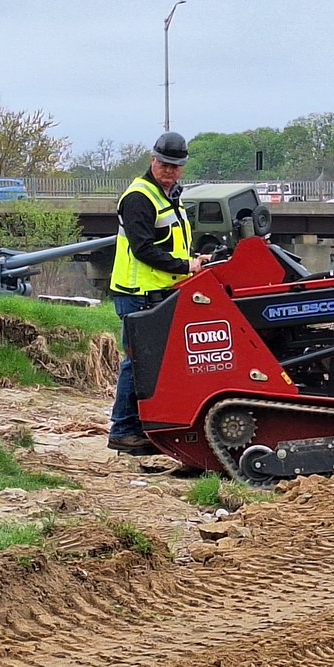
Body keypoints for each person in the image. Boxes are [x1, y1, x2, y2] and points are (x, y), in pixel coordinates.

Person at [107, 131, 211, 456]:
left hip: (159, 289)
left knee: (155, 363)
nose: (169, 170)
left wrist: (195, 261)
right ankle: (123, 430)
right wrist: (187, 266)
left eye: (175, 166)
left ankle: (147, 426)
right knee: (137, 363)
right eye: (164, 164)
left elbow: (174, 240)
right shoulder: (139, 197)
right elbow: (143, 250)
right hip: (137, 291)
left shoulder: (171, 195)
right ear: (153, 160)